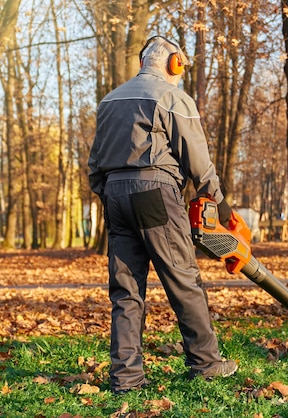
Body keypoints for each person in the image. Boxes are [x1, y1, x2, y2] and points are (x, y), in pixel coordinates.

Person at [88, 35, 238, 394]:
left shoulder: (109, 101)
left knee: (125, 290)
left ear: (142, 61)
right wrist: (219, 202)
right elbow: (198, 162)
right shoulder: (172, 97)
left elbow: (94, 166)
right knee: (183, 279)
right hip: (154, 192)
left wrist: (109, 193)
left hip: (114, 195)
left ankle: (126, 379)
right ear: (175, 63)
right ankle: (206, 363)